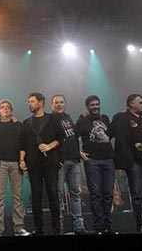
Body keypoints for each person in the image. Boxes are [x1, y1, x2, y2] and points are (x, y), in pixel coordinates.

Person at [111, 94, 142, 233]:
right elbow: (111, 133)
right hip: (134, 162)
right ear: (131, 104)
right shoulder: (121, 117)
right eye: (141, 102)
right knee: (137, 194)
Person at [20, 92, 64, 236]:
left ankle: (57, 227)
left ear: (41, 102)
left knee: (52, 194)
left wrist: (49, 146)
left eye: (32, 101)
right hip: (33, 163)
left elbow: (61, 137)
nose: (29, 104)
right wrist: (22, 160)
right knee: (36, 195)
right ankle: (38, 229)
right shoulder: (27, 122)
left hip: (50, 162)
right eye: (28, 101)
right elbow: (23, 144)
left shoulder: (53, 119)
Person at [0, 99, 30, 237]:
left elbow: (24, 144)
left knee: (17, 197)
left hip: (16, 164)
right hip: (0, 164)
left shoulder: (19, 125)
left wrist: (23, 160)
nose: (5, 109)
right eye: (2, 107)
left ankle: (19, 227)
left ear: (11, 110)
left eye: (8, 107)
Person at [75, 95, 116, 234]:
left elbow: (109, 135)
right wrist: (79, 152)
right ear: (87, 107)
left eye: (97, 104)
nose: (95, 107)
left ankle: (108, 225)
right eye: (92, 105)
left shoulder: (105, 118)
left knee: (108, 194)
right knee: (95, 194)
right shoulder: (82, 121)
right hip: (92, 160)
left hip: (108, 159)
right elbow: (73, 138)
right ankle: (99, 226)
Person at [51, 94, 89, 235]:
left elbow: (73, 137)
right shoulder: (50, 119)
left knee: (75, 194)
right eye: (56, 103)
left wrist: (78, 153)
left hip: (74, 160)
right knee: (59, 195)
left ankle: (79, 226)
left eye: (61, 102)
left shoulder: (68, 118)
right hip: (60, 162)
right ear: (52, 105)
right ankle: (59, 227)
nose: (59, 105)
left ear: (65, 104)